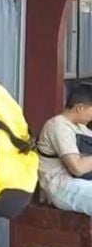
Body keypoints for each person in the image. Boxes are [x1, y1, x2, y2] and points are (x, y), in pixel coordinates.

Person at [36, 83, 92, 214]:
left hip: (79, 182)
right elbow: (77, 168)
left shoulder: (80, 126)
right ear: (80, 108)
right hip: (61, 187)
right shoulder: (59, 126)